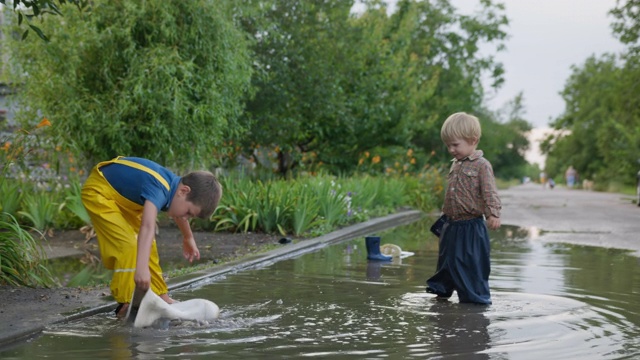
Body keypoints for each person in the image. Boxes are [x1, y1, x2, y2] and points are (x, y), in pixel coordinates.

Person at [81, 156, 222, 317]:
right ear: (184, 191)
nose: (186, 217)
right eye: (189, 212)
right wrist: (141, 269)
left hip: (124, 202)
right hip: (99, 193)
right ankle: (126, 303)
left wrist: (188, 237)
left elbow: (178, 214)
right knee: (129, 245)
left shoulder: (174, 189)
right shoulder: (159, 188)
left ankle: (161, 296)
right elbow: (147, 227)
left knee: (149, 246)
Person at [426, 112, 501, 304]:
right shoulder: (456, 164)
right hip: (451, 226)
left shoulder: (481, 166)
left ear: (473, 140)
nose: (451, 149)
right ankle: (442, 292)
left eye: (455, 144)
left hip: (471, 227)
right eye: (448, 145)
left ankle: (475, 302)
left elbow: (489, 191)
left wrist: (493, 213)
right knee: (447, 262)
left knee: (470, 265)